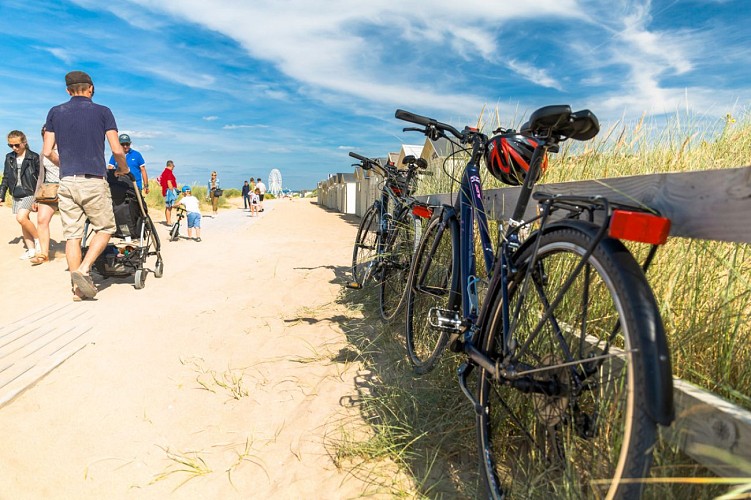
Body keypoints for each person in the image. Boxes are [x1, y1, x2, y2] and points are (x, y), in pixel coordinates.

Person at [42, 70, 129, 301]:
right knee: (106, 228)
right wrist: (124, 169)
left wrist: (65, 163)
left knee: (73, 235)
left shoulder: (55, 112)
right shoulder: (103, 111)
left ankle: (78, 290)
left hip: (67, 181)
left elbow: (47, 151)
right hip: (93, 180)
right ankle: (84, 269)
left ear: (68, 90)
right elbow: (117, 149)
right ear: (90, 88)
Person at [0, 130, 41, 260]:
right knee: (24, 221)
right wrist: (1, 195)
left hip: (30, 192)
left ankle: (38, 240)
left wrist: (38, 198)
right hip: (16, 193)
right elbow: (6, 177)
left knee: (21, 218)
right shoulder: (9, 157)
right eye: (11, 145)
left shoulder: (33, 157)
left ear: (24, 142)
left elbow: (41, 178)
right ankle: (31, 250)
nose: (14, 148)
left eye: (17, 145)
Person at [29, 126, 60, 266]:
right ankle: (44, 254)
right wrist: (36, 197)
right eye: (44, 134)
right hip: (48, 190)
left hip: (66, 189)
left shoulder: (67, 149)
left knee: (71, 223)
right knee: (41, 220)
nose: (46, 136)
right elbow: (41, 176)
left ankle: (77, 252)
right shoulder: (43, 152)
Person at [159, 160, 178, 225]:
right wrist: (172, 191)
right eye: (173, 166)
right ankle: (169, 221)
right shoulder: (169, 172)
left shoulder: (164, 172)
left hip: (166, 191)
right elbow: (169, 182)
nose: (173, 167)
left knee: (168, 207)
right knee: (169, 207)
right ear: (171, 165)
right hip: (169, 191)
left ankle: (168, 220)